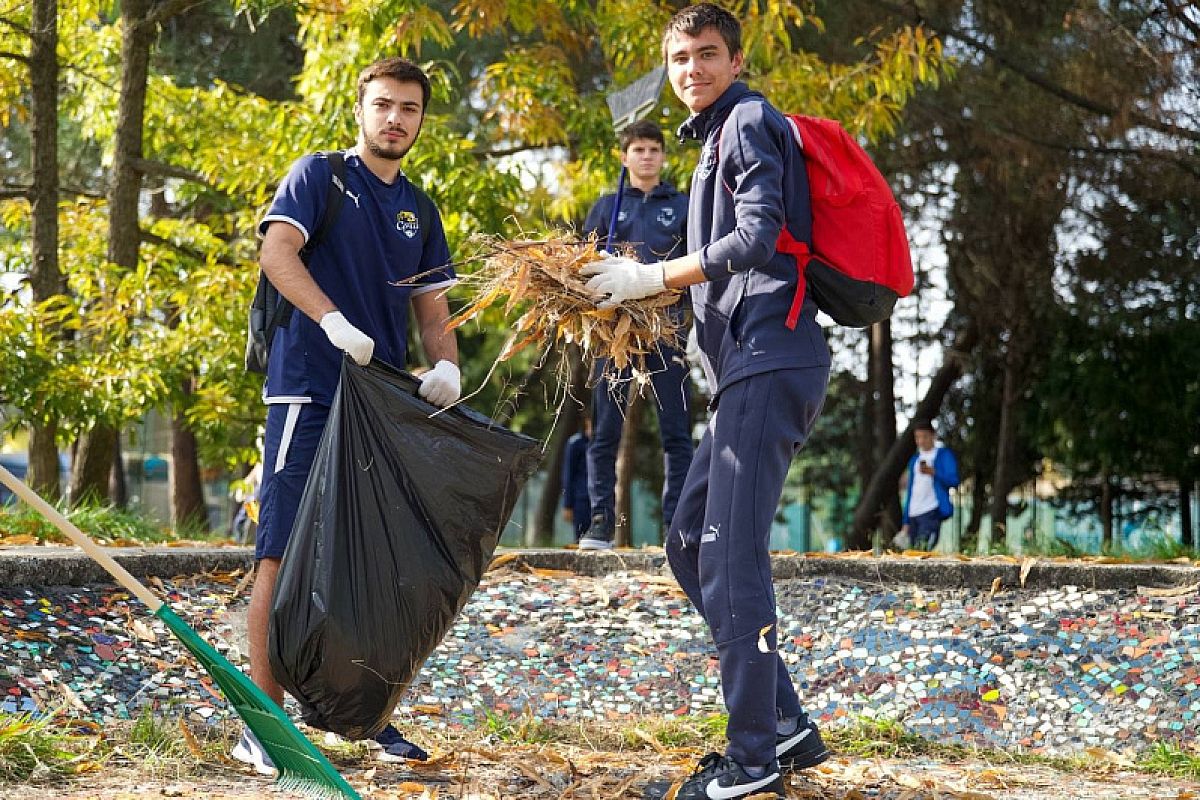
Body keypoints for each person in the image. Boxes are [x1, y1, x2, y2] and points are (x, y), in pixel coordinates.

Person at [581, 5, 831, 797]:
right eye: (681, 57)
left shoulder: (749, 122)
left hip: (771, 361)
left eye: (709, 54)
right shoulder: (712, 136)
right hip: (739, 375)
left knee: (730, 557)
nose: (693, 69)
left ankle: (752, 755)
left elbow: (757, 238)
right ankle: (784, 719)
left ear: (737, 59)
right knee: (688, 540)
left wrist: (653, 278)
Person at [233, 56, 461, 776]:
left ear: (422, 120)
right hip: (308, 386)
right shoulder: (321, 176)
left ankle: (364, 720)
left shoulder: (419, 209)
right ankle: (261, 728)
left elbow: (432, 305)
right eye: (384, 105)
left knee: (374, 560)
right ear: (360, 110)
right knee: (280, 548)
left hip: (378, 400)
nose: (395, 119)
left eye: (410, 109)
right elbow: (277, 252)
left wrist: (447, 363)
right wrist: (331, 321)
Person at [577, 120, 694, 550]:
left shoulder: (683, 205)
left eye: (654, 150)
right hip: (614, 333)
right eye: (638, 150)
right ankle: (601, 522)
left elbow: (699, 266)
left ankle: (677, 526)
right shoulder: (607, 206)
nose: (646, 156)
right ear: (624, 158)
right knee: (605, 431)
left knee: (676, 432)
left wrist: (697, 327)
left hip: (668, 330)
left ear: (663, 157)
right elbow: (581, 265)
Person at [896, 419, 960, 551]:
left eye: (924, 436)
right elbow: (911, 491)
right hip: (914, 513)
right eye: (917, 437)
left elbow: (954, 480)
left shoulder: (943, 455)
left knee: (923, 550)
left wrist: (934, 472)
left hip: (931, 511)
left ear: (933, 435)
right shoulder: (915, 460)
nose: (921, 441)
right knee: (912, 553)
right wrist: (906, 521)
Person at [561, 416, 593, 541]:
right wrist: (567, 505)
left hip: (600, 498)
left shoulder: (603, 443)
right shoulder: (575, 443)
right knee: (581, 538)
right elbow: (568, 475)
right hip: (581, 500)